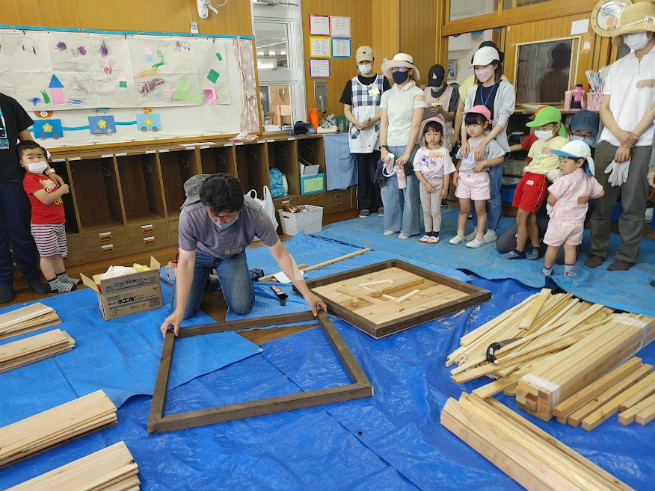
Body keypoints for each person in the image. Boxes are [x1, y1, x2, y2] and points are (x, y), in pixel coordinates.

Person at [159, 174, 326, 337]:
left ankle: (222, 278)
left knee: (242, 306)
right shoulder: (190, 214)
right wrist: (179, 311)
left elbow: (281, 254)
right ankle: (208, 281)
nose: (219, 222)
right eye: (213, 216)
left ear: (239, 209)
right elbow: (186, 262)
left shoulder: (254, 213)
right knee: (185, 311)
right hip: (198, 257)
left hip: (231, 256)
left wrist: (307, 293)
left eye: (226, 217)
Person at [586, 2, 655, 271]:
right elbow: (604, 107)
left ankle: (626, 255)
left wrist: (631, 139)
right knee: (601, 199)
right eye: (625, 34)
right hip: (609, 141)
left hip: (643, 142)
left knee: (632, 204)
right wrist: (618, 136)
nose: (629, 38)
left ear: (648, 30)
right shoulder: (617, 66)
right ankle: (598, 250)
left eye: (633, 32)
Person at [498, 109, 601, 259]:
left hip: (564, 219)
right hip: (538, 211)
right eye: (578, 133)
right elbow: (533, 167)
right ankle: (536, 242)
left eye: (588, 135)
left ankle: (559, 242)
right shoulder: (558, 148)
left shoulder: (591, 159)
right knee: (504, 245)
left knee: (560, 258)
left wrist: (565, 183)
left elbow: (593, 195)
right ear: (570, 132)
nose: (581, 138)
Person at [0, 92, 61, 303]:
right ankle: (5, 282)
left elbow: (27, 141)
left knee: (21, 231)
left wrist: (46, 168)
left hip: (11, 180)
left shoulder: (7, 103)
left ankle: (32, 277)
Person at [461, 45, 516, 244]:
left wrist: (484, 142)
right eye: (476, 67)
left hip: (493, 148)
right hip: (473, 148)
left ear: (495, 66)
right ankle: (477, 229)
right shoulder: (473, 90)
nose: (480, 71)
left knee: (491, 191)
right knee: (474, 192)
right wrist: (464, 141)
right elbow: (464, 119)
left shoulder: (506, 89)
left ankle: (491, 229)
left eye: (484, 66)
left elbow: (502, 120)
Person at [501, 106, 568, 260]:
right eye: (538, 127)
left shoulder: (563, 142)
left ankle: (519, 250)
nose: (540, 130)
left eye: (544, 127)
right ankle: (536, 246)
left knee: (521, 217)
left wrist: (560, 172)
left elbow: (571, 165)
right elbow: (532, 160)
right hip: (527, 177)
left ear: (556, 126)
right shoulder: (537, 143)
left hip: (539, 180)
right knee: (528, 216)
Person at [18, 141, 78, 293]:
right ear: (22, 162)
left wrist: (54, 177)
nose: (36, 160)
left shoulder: (46, 176)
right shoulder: (30, 179)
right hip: (43, 224)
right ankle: (53, 283)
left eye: (39, 156)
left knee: (58, 253)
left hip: (57, 221)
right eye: (30, 157)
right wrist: (62, 190)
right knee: (47, 256)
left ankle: (62, 277)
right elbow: (45, 199)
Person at [378, 53, 426, 239]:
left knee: (409, 190)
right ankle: (391, 224)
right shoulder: (387, 95)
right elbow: (384, 123)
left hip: (410, 147)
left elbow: (416, 125)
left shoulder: (418, 94)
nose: (397, 72)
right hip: (389, 147)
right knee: (389, 190)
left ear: (410, 71)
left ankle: (408, 228)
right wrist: (382, 147)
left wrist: (407, 152)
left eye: (401, 68)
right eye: (394, 69)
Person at [340, 45, 390, 218]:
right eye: (361, 62)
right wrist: (357, 122)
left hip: (378, 130)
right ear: (357, 63)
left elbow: (387, 107)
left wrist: (373, 120)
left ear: (373, 61)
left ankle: (381, 203)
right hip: (358, 132)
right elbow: (347, 110)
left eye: (367, 61)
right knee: (362, 170)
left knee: (379, 168)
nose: (365, 64)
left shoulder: (383, 81)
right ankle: (364, 205)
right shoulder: (351, 83)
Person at [542, 141, 604, 277]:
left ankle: (547, 270)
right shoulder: (589, 179)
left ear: (580, 162)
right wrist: (587, 196)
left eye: (565, 161)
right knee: (570, 248)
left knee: (552, 247)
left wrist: (550, 205)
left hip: (560, 222)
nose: (561, 165)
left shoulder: (565, 180)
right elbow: (601, 192)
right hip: (577, 222)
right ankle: (569, 272)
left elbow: (551, 199)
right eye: (560, 161)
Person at [450, 105, 505, 248]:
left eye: (475, 125)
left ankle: (480, 236)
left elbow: (500, 159)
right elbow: (461, 159)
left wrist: (485, 163)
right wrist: (456, 172)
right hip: (464, 178)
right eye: (468, 125)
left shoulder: (489, 142)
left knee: (480, 209)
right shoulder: (466, 143)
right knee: (463, 208)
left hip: (479, 179)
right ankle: (460, 234)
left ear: (486, 124)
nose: (471, 129)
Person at [413, 121, 456, 244]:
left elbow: (447, 171)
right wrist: (425, 184)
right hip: (424, 184)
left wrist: (445, 188)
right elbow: (417, 170)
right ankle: (428, 232)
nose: (432, 137)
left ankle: (435, 233)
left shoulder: (443, 151)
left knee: (435, 210)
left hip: (438, 183)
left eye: (436, 134)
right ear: (424, 136)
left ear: (441, 135)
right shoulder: (421, 151)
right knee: (426, 210)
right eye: (428, 134)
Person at [422, 64, 459, 151]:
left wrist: (441, 111)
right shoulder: (425, 91)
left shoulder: (452, 92)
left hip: (444, 135)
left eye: (437, 84)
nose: (434, 87)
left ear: (443, 78)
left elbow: (451, 117)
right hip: (428, 136)